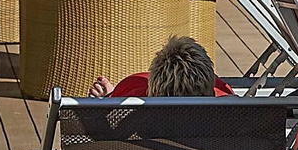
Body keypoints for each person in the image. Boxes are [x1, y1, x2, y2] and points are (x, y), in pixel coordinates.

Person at [90, 35, 230, 97]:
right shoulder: (228, 111)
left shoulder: (132, 97)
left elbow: (112, 118)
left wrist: (111, 98)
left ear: (150, 90)